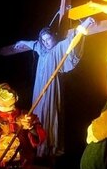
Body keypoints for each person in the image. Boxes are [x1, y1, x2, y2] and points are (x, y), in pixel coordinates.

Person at [13, 17, 95, 157]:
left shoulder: (59, 48)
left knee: (49, 113)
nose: (46, 42)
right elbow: (33, 44)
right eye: (44, 40)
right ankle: (37, 145)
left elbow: (73, 40)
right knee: (38, 115)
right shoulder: (42, 50)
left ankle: (49, 147)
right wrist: (21, 42)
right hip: (39, 89)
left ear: (53, 38)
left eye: (48, 39)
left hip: (51, 88)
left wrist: (86, 24)